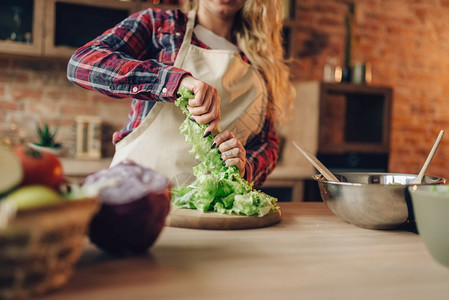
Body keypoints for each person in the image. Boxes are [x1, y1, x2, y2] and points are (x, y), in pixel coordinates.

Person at [67, 0, 293, 188]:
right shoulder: (160, 25)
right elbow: (83, 64)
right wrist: (175, 82)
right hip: (133, 193)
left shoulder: (260, 63)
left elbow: (267, 143)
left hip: (210, 210)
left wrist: (245, 167)